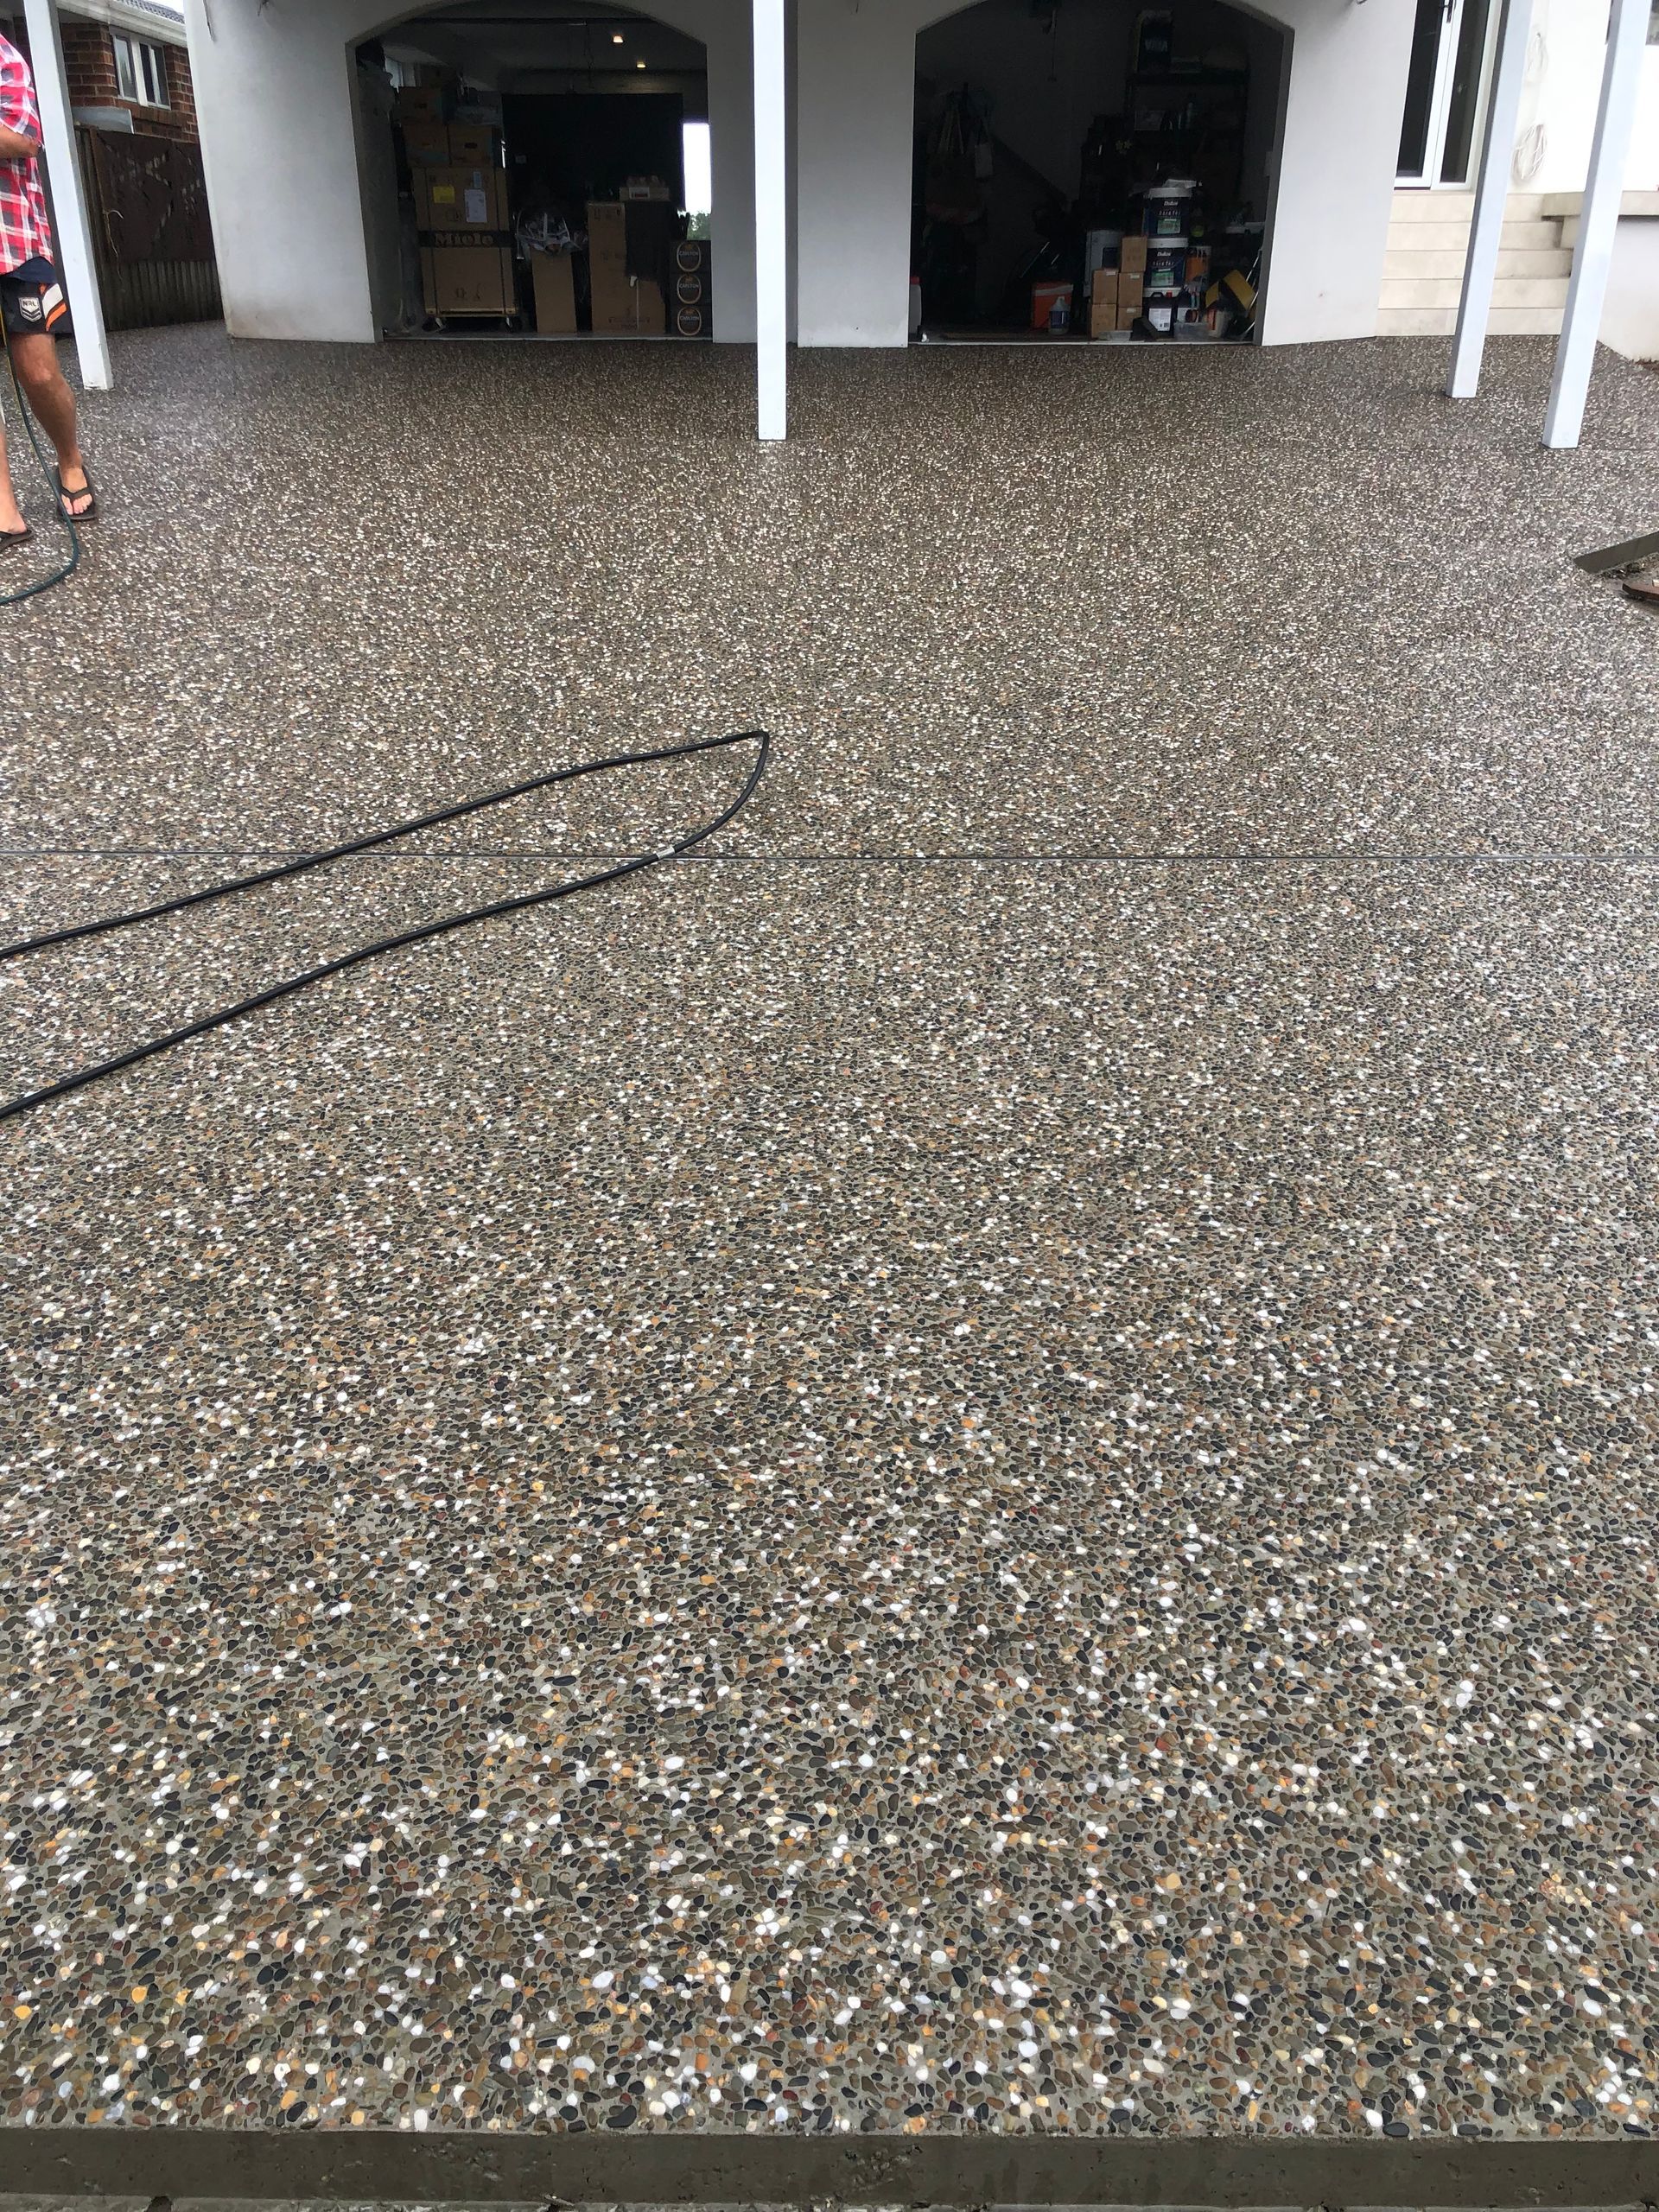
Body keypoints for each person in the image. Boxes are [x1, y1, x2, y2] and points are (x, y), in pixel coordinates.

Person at [0, 29, 95, 548]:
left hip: (16, 244)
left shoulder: (5, 58)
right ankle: (6, 512)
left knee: (37, 372)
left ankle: (69, 459)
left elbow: (24, 140)